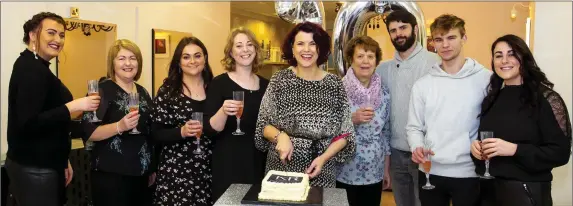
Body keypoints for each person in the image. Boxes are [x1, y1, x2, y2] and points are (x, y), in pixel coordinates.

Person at [6, 12, 100, 206]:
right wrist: (72, 106)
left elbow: (49, 122)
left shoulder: (37, 66)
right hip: (35, 169)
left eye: (62, 35)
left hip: (46, 165)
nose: (58, 39)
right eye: (51, 33)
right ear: (33, 35)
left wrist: (62, 160)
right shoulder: (30, 69)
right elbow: (28, 123)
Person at [471, 34, 571, 206]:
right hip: (488, 192)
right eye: (498, 55)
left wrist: (514, 149)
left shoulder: (546, 99)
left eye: (511, 54)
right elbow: (490, 147)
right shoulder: (492, 98)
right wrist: (476, 151)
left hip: (526, 193)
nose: (504, 60)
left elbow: (560, 153)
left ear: (523, 58)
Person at [254, 21, 356, 188]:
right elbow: (263, 126)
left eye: (313, 44)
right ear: (292, 49)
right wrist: (281, 136)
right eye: (300, 43)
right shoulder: (279, 81)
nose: (306, 50)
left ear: (320, 49)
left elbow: (346, 134)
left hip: (322, 169)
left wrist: (323, 159)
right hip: (282, 167)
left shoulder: (334, 84)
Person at [406, 14, 492, 206]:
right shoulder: (423, 85)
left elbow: (496, 122)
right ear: (433, 43)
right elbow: (414, 127)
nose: (445, 45)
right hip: (430, 172)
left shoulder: (486, 79)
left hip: (470, 172)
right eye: (439, 39)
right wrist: (416, 146)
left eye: (451, 37)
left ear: (464, 38)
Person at [376, 9, 440, 206]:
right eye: (393, 30)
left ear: (415, 28)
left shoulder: (435, 62)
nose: (398, 34)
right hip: (395, 154)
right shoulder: (382, 69)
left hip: (427, 153)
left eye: (403, 28)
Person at [81, 39, 155, 206]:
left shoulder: (143, 92)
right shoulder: (102, 91)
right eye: (121, 59)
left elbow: (149, 132)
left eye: (133, 58)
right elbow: (89, 132)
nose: (128, 63)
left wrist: (152, 167)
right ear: (112, 63)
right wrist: (118, 127)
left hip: (141, 175)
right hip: (111, 176)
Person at [205, 27, 269, 200]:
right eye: (239, 46)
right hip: (228, 163)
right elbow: (210, 130)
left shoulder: (266, 85)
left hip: (258, 162)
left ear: (256, 50)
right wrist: (223, 111)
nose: (245, 50)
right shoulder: (219, 83)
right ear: (231, 53)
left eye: (249, 45)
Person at [151, 36, 214, 205]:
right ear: (179, 62)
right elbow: (155, 133)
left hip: (210, 170)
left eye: (197, 55)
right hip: (176, 173)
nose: (192, 61)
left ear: (205, 58)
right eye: (186, 57)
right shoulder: (168, 91)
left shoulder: (215, 88)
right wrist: (182, 131)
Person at [336, 35, 391, 206]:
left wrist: (386, 171)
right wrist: (351, 119)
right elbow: (327, 129)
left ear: (376, 61)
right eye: (360, 56)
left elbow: (386, 133)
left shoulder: (384, 91)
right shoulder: (338, 90)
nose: (365, 61)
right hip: (344, 170)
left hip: (375, 170)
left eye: (370, 56)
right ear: (351, 60)